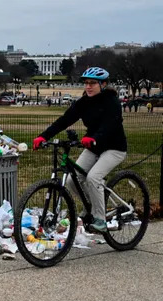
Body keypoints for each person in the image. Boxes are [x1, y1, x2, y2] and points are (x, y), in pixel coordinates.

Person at [32, 67, 127, 232]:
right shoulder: (83, 102)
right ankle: (91, 207)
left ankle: (100, 220)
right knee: (71, 180)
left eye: (93, 83)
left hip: (114, 147)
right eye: (86, 83)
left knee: (93, 178)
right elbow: (64, 120)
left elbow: (110, 124)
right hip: (93, 147)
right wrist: (43, 136)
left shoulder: (111, 101)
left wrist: (95, 138)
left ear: (103, 84)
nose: (88, 87)